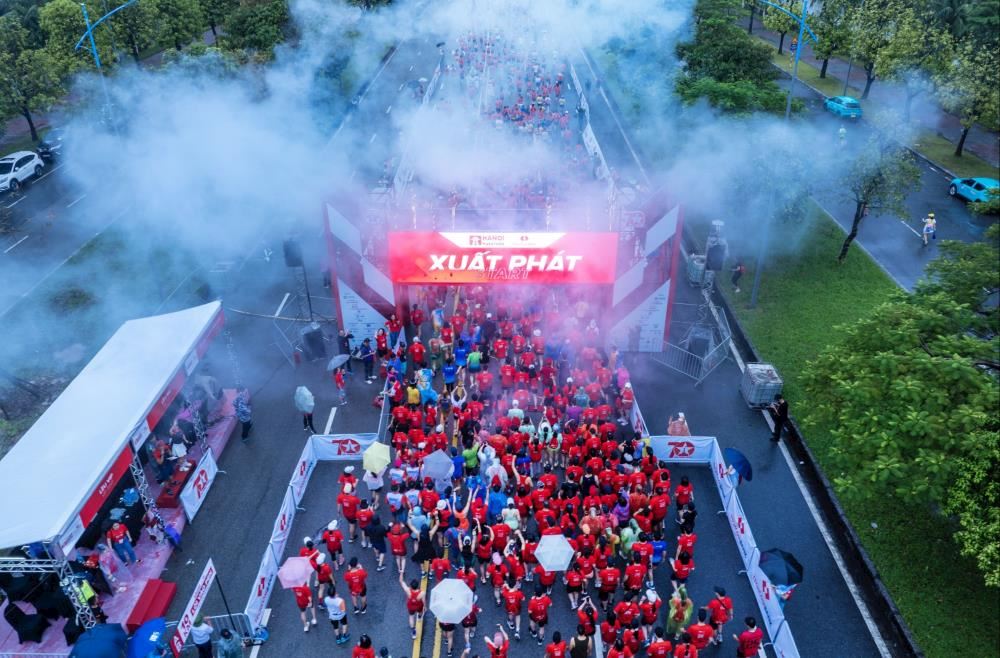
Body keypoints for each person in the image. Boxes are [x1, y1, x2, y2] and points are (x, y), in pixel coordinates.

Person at [399, 574, 425, 639]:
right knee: (420, 612)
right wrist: (425, 606)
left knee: (411, 617)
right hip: (419, 605)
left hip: (411, 606)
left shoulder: (408, 590)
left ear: (411, 586)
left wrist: (401, 573)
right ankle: (419, 617)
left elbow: (401, 581)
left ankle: (413, 632)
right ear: (418, 586)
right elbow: (424, 601)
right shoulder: (422, 593)